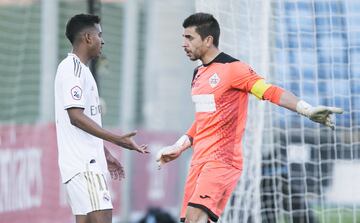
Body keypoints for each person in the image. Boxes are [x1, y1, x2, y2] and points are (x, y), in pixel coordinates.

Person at [156, 12, 343, 223]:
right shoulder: (198, 74)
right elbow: (202, 120)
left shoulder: (234, 69)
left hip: (221, 162)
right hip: (199, 162)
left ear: (208, 40)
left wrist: (306, 109)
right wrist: (179, 146)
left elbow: (270, 91)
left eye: (189, 37)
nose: (183, 43)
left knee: (193, 219)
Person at [54, 14, 148, 223]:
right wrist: (118, 139)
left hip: (84, 162)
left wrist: (104, 152)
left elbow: (82, 122)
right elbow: (75, 117)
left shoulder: (82, 71)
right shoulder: (73, 69)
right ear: (88, 37)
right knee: (103, 217)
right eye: (100, 35)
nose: (102, 40)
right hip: (84, 164)